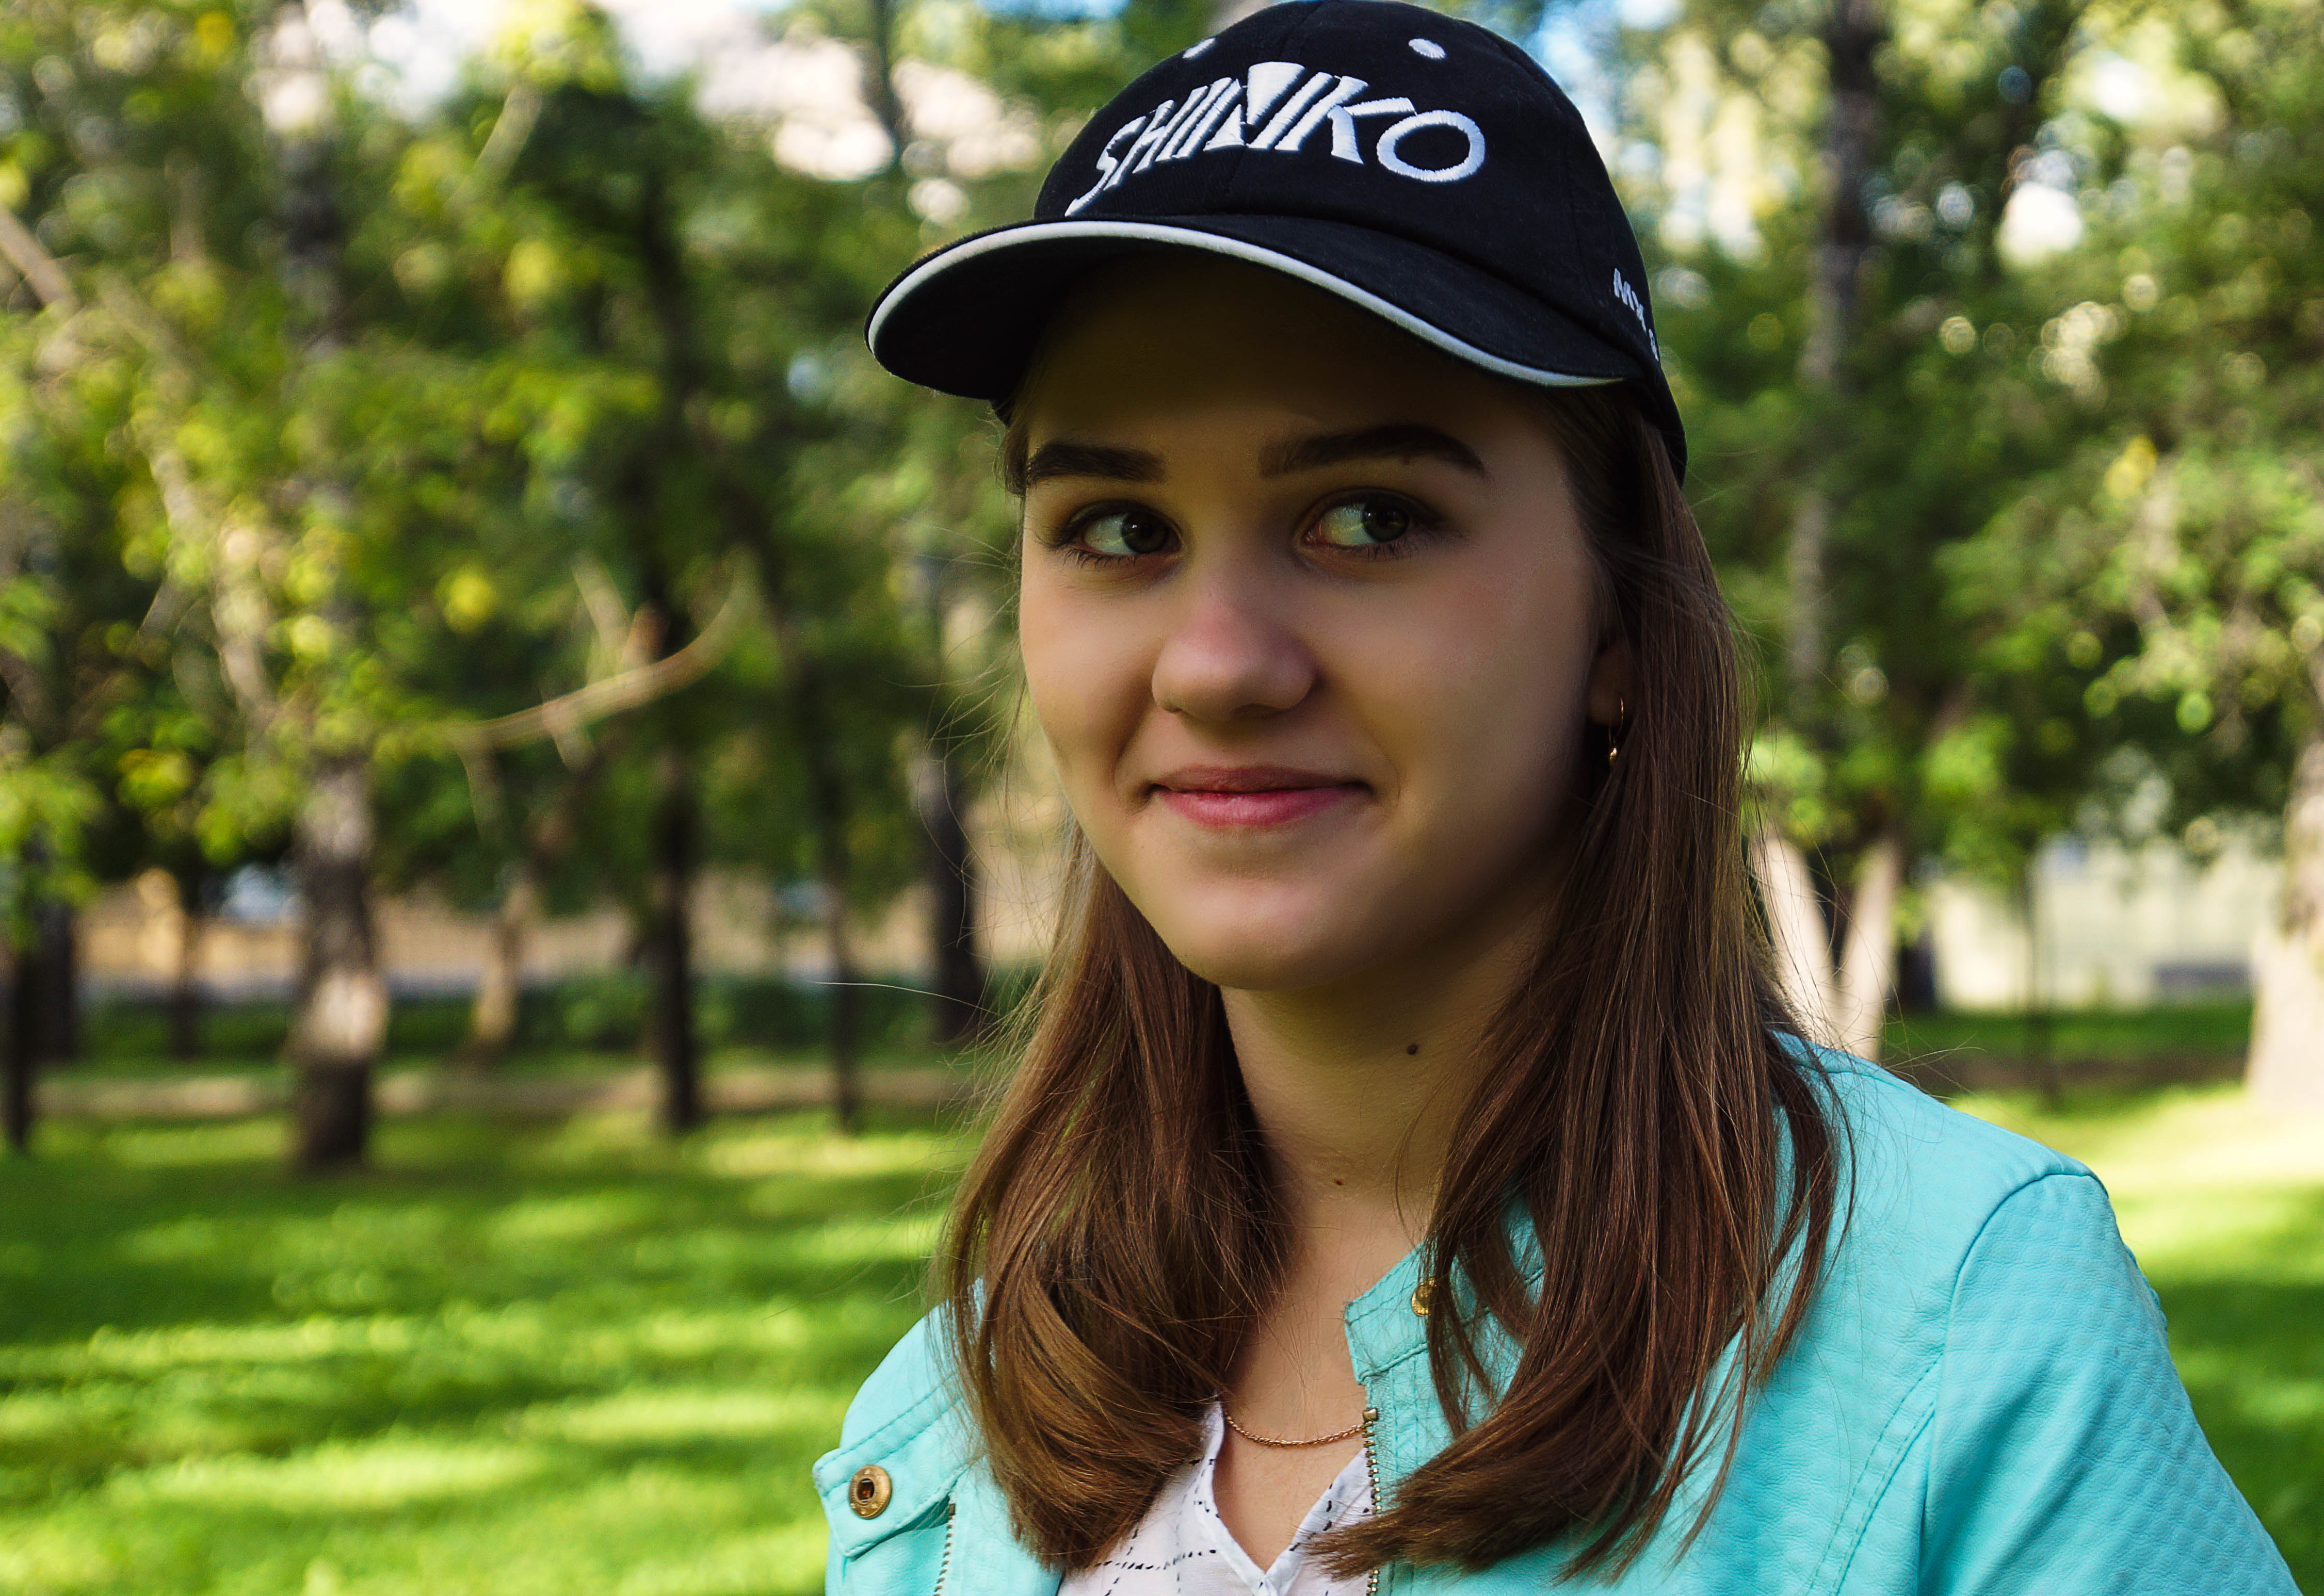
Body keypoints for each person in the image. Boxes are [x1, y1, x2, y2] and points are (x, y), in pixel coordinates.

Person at [814, 4, 2299, 1592]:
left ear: (1618, 615)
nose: (1218, 664)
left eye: (1369, 518)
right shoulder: (962, 1409)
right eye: (1119, 529)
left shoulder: (1960, 1328)